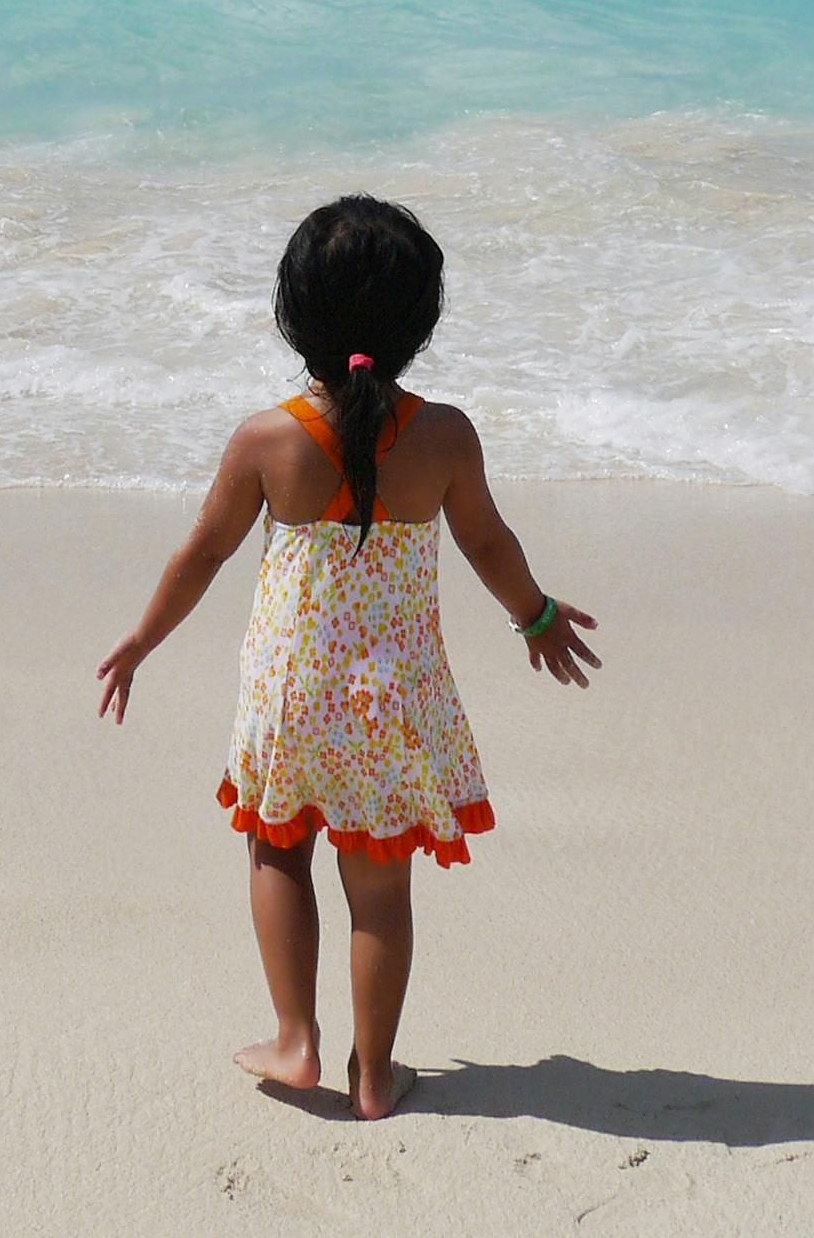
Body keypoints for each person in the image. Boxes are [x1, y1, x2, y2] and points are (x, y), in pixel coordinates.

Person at [94, 195, 602, 1120]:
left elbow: (201, 552)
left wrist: (141, 639)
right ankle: (374, 1075)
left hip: (290, 702)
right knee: (381, 892)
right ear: (420, 324)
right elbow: (489, 543)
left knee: (276, 853)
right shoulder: (444, 436)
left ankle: (296, 1042)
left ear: (294, 315)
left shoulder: (267, 439)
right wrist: (535, 617)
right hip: (391, 706)